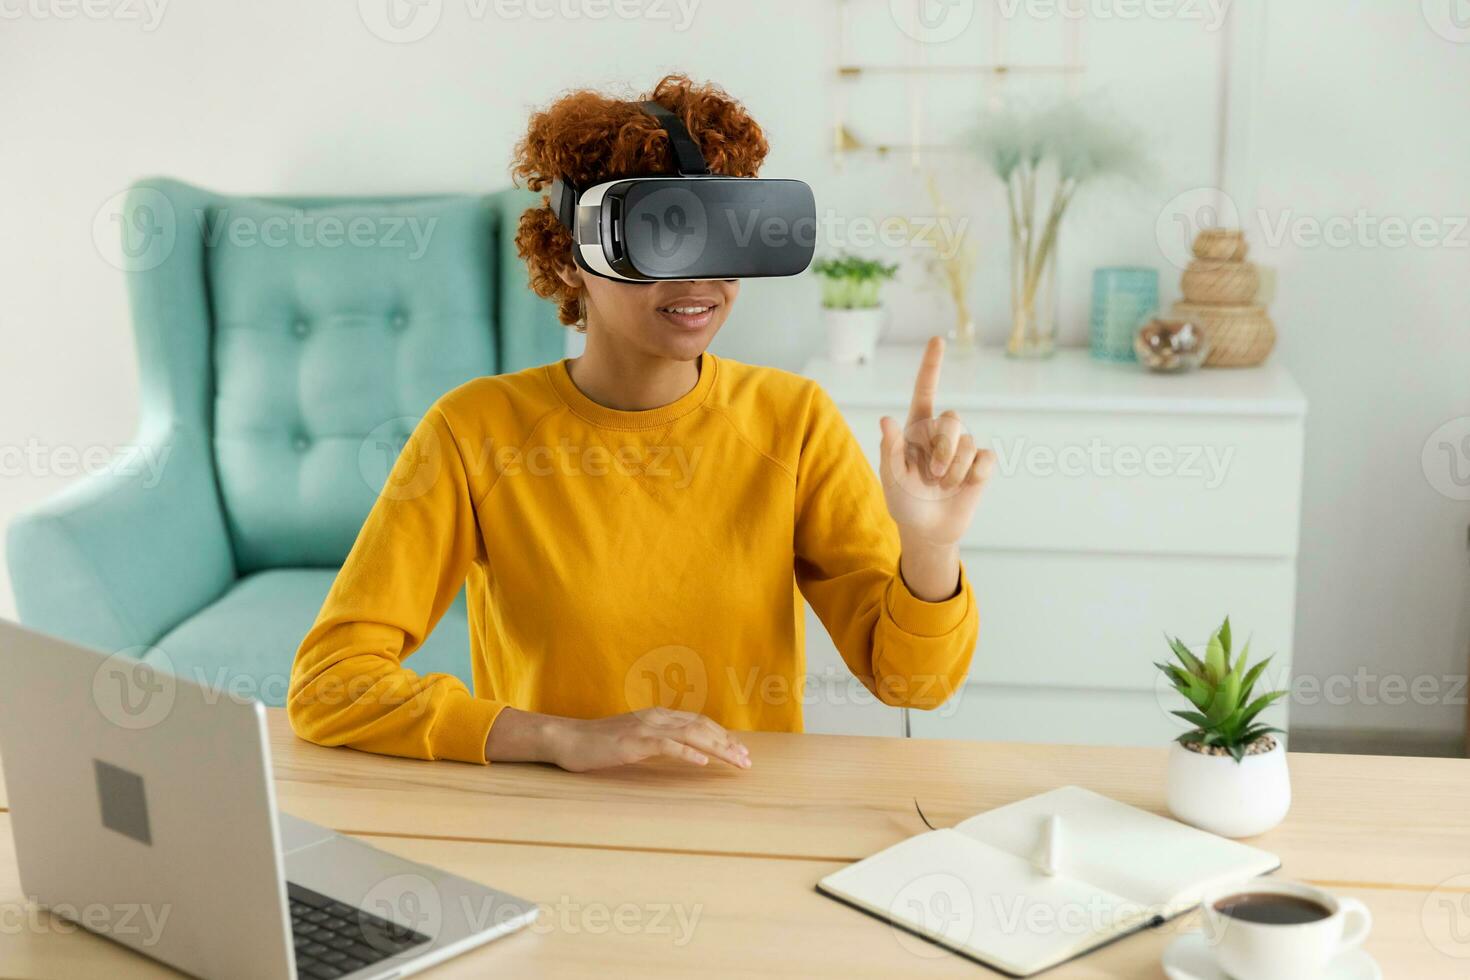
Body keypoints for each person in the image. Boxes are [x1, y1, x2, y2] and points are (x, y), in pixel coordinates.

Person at [288, 75, 994, 772]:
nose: (699, 281)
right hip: (553, 825)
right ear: (569, 259)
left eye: (721, 236)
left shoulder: (794, 422)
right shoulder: (476, 432)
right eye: (660, 236)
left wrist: (930, 550)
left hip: (742, 822)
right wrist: (558, 739)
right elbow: (329, 684)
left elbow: (914, 684)